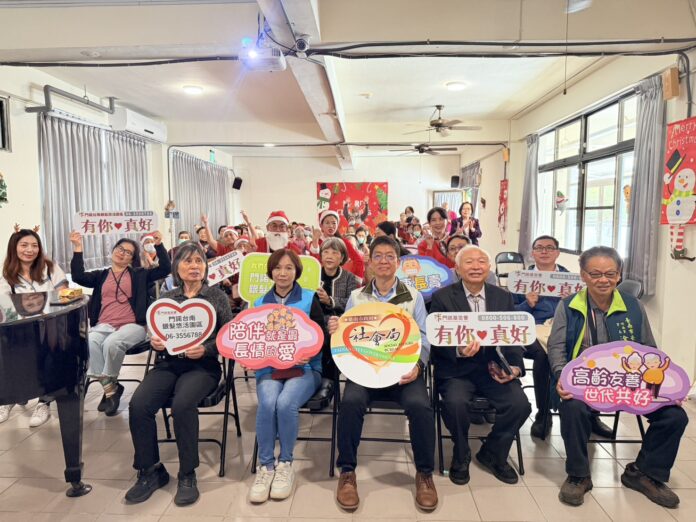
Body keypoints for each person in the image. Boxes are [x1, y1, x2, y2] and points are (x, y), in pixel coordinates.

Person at [548, 246, 688, 509]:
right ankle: (578, 475)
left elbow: (649, 349)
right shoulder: (569, 306)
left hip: (630, 385)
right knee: (573, 408)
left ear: (619, 275)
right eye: (595, 274)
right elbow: (556, 348)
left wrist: (667, 389)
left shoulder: (633, 306)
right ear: (583, 275)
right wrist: (561, 376)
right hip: (585, 384)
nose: (604, 280)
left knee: (675, 416)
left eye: (610, 274)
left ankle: (645, 473)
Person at [328, 236, 438, 512]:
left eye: (390, 256)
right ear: (370, 261)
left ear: (398, 262)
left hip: (404, 371)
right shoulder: (357, 297)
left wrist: (418, 366)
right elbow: (345, 336)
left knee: (421, 406)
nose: (384, 261)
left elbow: (424, 337)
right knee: (350, 402)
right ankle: (347, 472)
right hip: (365, 370)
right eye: (378, 255)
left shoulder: (413, 296)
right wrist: (335, 329)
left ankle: (424, 474)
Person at [125, 242, 232, 507]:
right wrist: (155, 342)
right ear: (176, 267)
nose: (194, 266)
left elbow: (229, 336)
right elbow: (157, 332)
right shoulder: (167, 298)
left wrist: (207, 349)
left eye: (199, 261)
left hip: (202, 367)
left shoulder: (216, 296)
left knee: (183, 405)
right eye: (187, 261)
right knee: (138, 405)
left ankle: (187, 473)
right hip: (168, 364)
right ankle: (150, 470)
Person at [429, 246, 531, 486]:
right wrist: (458, 350)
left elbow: (512, 337)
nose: (476, 266)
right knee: (455, 404)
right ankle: (461, 452)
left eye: (481, 261)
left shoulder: (502, 296)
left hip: (492, 367)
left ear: (489, 267)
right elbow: (435, 340)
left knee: (520, 405)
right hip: (456, 370)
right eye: (469, 262)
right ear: (457, 268)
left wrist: (514, 367)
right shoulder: (442, 297)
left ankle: (493, 452)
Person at [249, 248, 329, 503]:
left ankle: (285, 463)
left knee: (285, 403)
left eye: (288, 268)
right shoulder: (259, 304)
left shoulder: (309, 298)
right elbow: (253, 339)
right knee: (268, 403)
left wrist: (309, 352)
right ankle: (265, 466)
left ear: (297, 272)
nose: (282, 273)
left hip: (305, 368)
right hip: (269, 369)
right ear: (270, 271)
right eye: (277, 268)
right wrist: (249, 356)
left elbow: (321, 337)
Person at [70, 230, 171, 416]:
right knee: (90, 342)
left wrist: (159, 245)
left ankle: (110, 390)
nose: (122, 253)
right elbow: (77, 276)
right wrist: (78, 248)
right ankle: (112, 389)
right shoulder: (101, 275)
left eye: (128, 252)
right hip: (103, 325)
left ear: (132, 258)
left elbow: (165, 269)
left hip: (133, 326)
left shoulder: (139, 274)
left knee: (112, 343)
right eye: (120, 248)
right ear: (113, 250)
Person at [511, 235, 582, 440]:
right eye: (539, 248)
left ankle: (588, 411)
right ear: (532, 253)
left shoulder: (571, 280)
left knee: (584, 350)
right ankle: (543, 413)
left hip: (563, 328)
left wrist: (569, 303)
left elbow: (583, 310)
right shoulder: (521, 279)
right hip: (531, 329)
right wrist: (527, 304)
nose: (544, 251)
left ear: (557, 253)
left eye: (550, 248)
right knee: (543, 355)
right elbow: (510, 312)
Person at [0, 228, 69, 427]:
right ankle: (10, 398)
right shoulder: (8, 274)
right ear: (14, 248)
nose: (29, 250)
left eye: (34, 245)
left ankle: (44, 402)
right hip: (22, 328)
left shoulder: (50, 268)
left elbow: (63, 294)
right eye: (24, 245)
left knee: (49, 352)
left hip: (52, 325)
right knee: (8, 351)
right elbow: (5, 304)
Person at [310, 210, 365, 279]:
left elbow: (358, 261)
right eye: (327, 223)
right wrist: (315, 241)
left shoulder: (343, 242)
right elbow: (314, 263)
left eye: (334, 223)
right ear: (321, 225)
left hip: (339, 280)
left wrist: (355, 281)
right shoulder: (317, 241)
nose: (331, 226)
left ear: (337, 225)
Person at [316, 237, 360, 317]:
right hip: (315, 321)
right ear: (321, 255)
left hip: (340, 320)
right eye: (326, 252)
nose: (329, 256)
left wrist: (330, 301)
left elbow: (352, 303)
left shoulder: (349, 278)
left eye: (334, 253)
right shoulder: (315, 275)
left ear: (342, 258)